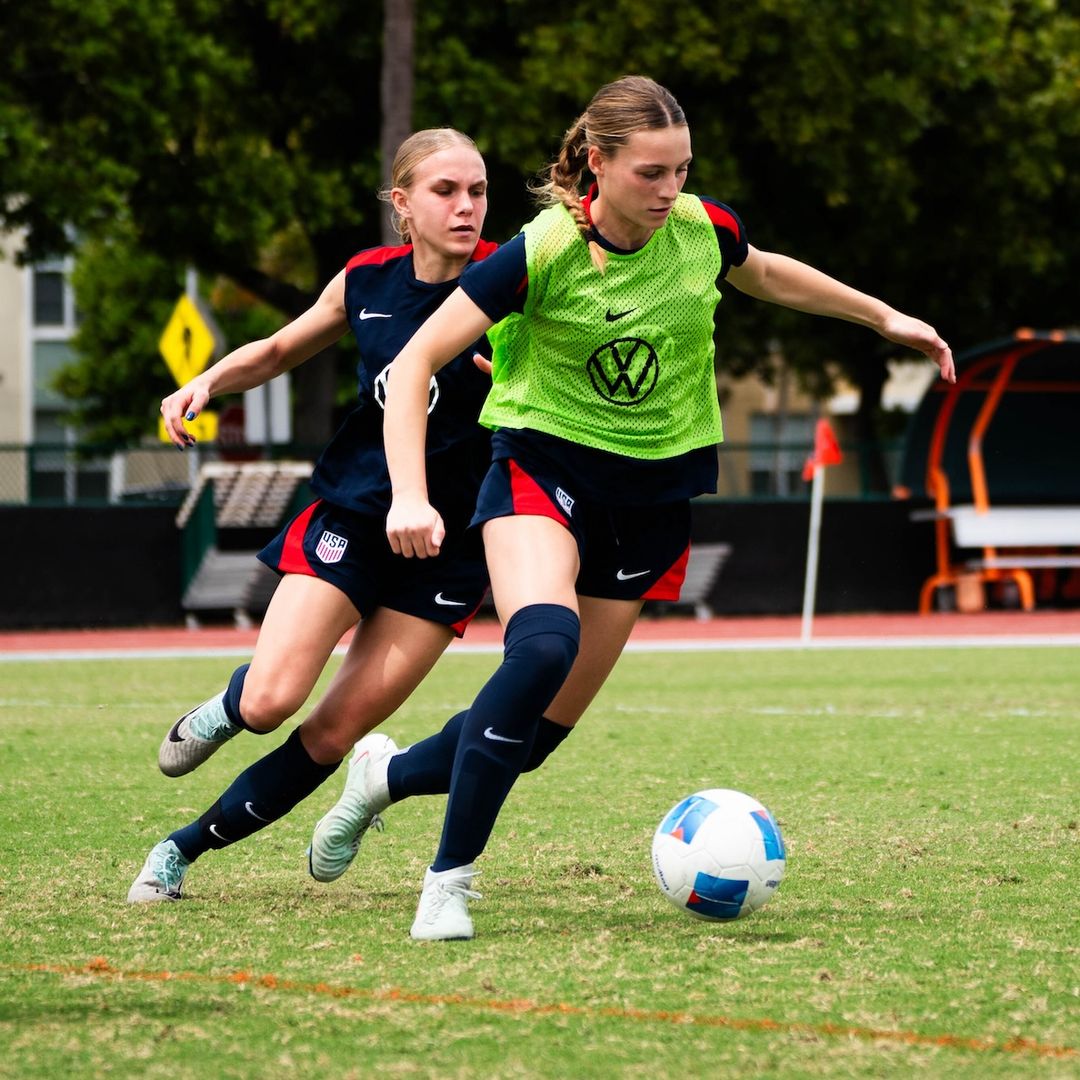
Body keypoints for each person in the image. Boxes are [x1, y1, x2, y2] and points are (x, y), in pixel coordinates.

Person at [376, 75, 955, 940]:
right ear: (598, 165)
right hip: (541, 468)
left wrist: (883, 317)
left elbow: (767, 275)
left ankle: (378, 783)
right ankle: (447, 882)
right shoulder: (540, 251)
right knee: (541, 650)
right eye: (651, 172)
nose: (670, 189)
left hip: (651, 495)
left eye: (682, 170)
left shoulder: (701, 228)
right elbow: (415, 361)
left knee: (536, 738)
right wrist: (412, 496)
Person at [129, 128, 517, 901]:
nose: (467, 206)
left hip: (450, 548)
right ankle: (230, 703)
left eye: (477, 191)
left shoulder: (515, 282)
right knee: (272, 701)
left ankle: (178, 851)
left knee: (333, 733)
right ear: (403, 205)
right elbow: (277, 351)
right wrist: (206, 382)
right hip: (352, 512)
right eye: (446, 192)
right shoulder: (367, 279)